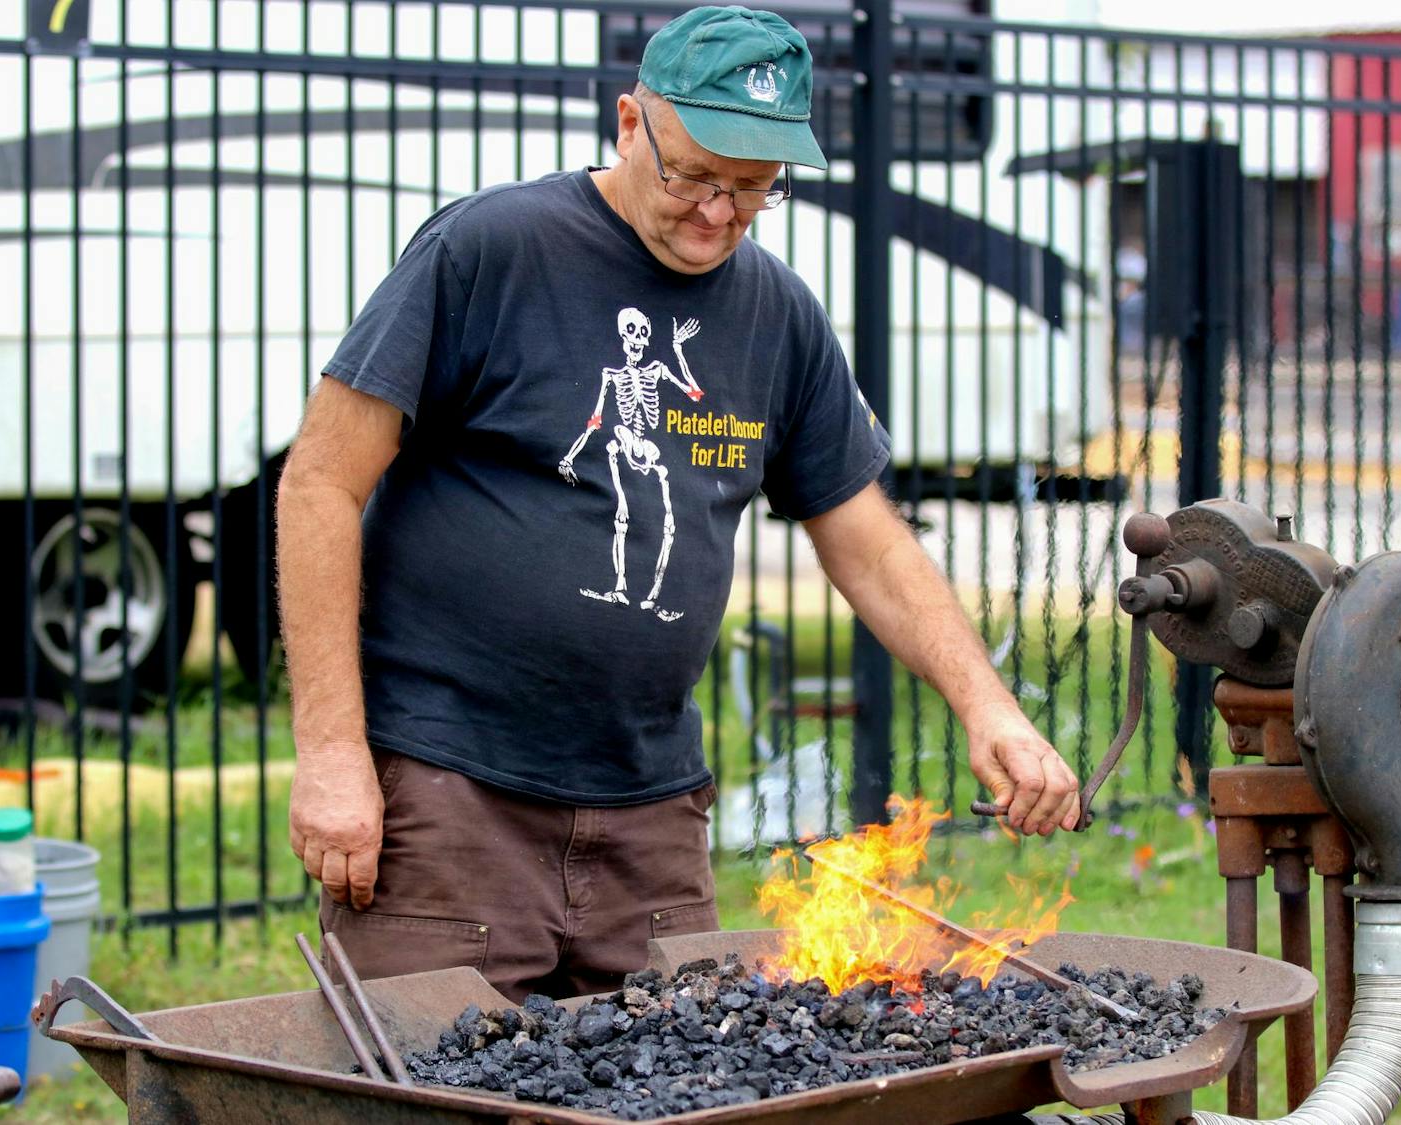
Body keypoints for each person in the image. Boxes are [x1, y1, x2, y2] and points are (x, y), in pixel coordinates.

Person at [279, 4, 1081, 1002]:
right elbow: (319, 481)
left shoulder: (775, 314)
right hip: (450, 805)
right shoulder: (492, 249)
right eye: (693, 175)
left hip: (650, 826)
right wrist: (330, 752)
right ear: (629, 123)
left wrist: (989, 708)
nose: (717, 212)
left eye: (752, 190)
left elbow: (870, 543)